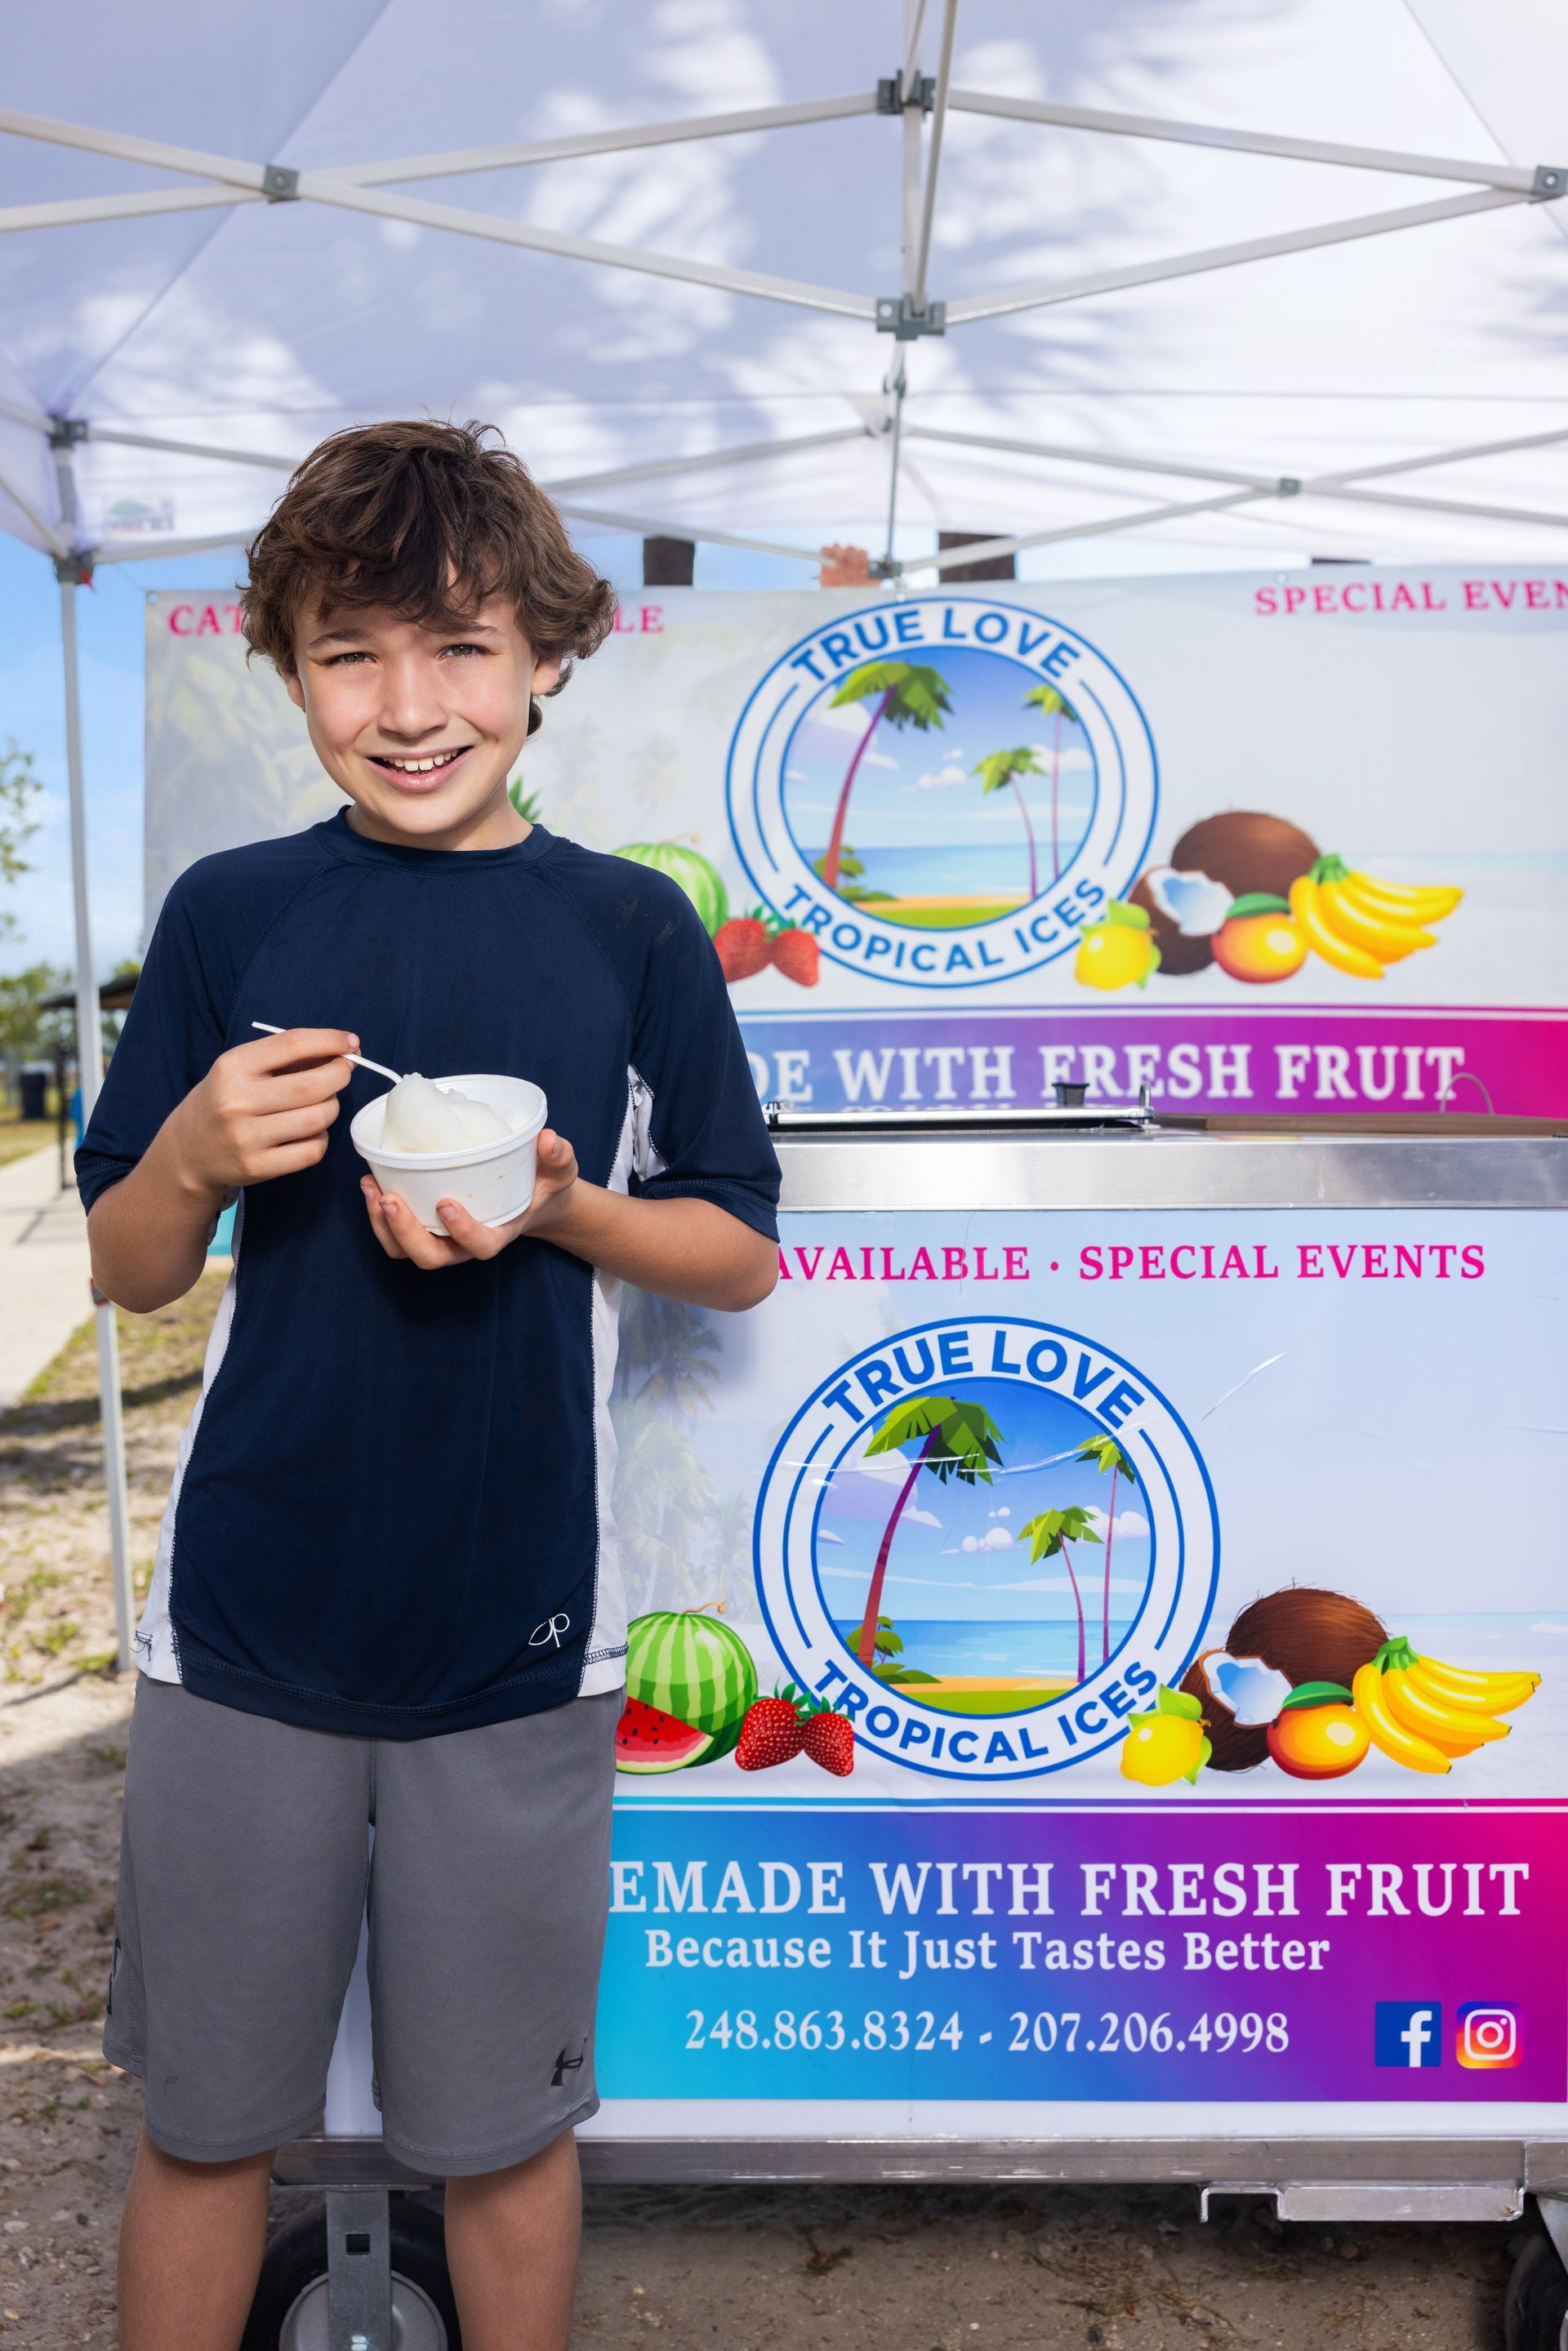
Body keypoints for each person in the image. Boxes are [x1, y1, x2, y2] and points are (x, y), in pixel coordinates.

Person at [77, 419, 780, 2351]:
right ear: (289, 666)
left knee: (504, 2131)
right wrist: (198, 1160)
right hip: (243, 1622)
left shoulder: (633, 928)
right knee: (213, 2126)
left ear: (549, 657)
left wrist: (566, 1217)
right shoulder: (232, 912)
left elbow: (736, 1243)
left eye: (460, 648)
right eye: (350, 653)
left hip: (519, 1629)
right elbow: (129, 1271)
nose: (409, 707)